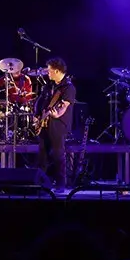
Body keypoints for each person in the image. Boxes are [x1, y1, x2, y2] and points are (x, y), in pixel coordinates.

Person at [35, 58, 75, 191]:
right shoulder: (49, 85)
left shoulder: (68, 88)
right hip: (45, 123)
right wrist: (36, 115)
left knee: (58, 154)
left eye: (49, 71)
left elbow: (64, 106)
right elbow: (40, 100)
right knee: (42, 154)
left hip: (59, 124)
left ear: (57, 71)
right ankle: (42, 183)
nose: (48, 73)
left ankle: (60, 184)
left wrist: (57, 114)